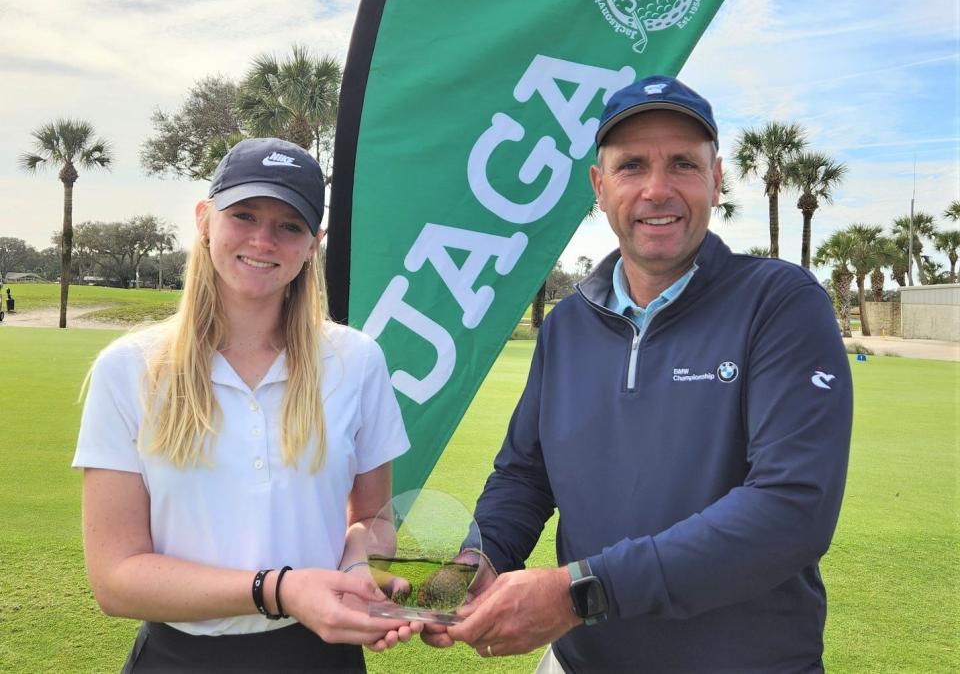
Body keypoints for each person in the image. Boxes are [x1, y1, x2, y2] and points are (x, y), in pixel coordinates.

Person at [424, 76, 853, 672]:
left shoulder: (779, 301)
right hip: (581, 663)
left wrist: (581, 592)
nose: (657, 189)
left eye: (682, 163)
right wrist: (480, 560)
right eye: (631, 166)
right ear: (600, 188)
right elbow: (525, 475)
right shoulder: (568, 325)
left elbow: (792, 510)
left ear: (716, 179)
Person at [73, 138, 420, 672]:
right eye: (244, 214)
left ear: (313, 244)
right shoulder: (129, 369)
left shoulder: (356, 360)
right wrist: (279, 590)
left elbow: (371, 517)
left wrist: (359, 564)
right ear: (205, 219)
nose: (263, 240)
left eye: (290, 226)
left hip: (319, 655)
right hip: (179, 657)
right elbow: (117, 579)